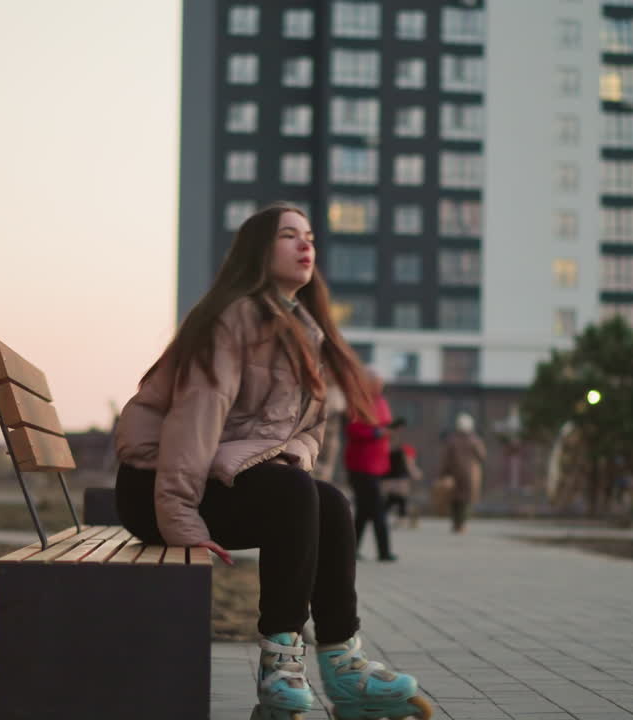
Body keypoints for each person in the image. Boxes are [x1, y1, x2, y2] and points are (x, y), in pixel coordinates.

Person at [112, 203, 432, 720]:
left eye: (309, 236)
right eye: (289, 236)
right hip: (155, 487)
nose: (306, 244)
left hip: (213, 479)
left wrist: (284, 462)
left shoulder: (304, 331)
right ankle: (281, 663)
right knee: (295, 493)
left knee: (329, 500)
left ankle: (341, 662)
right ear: (259, 251)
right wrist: (179, 518)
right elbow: (195, 416)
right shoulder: (233, 315)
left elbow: (309, 431)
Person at [344, 373, 404, 562]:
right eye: (376, 385)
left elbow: (385, 425)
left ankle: (350, 550)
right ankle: (384, 551)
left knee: (363, 510)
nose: (379, 388)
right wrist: (378, 432)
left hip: (378, 463)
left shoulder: (381, 402)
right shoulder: (358, 402)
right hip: (361, 464)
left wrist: (389, 431)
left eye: (381, 385)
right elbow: (354, 430)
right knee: (377, 509)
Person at [440, 413, 486, 534]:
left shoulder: (451, 440)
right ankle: (462, 524)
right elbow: (482, 456)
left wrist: (443, 474)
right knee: (465, 500)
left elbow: (446, 459)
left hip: (453, 473)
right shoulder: (475, 440)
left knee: (454, 499)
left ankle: (456, 523)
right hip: (469, 473)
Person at [381, 443, 421, 529]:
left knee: (391, 501)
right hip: (401, 484)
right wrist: (417, 475)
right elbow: (413, 471)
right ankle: (402, 520)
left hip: (390, 484)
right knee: (402, 501)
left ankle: (381, 517)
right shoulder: (407, 458)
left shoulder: (392, 456)